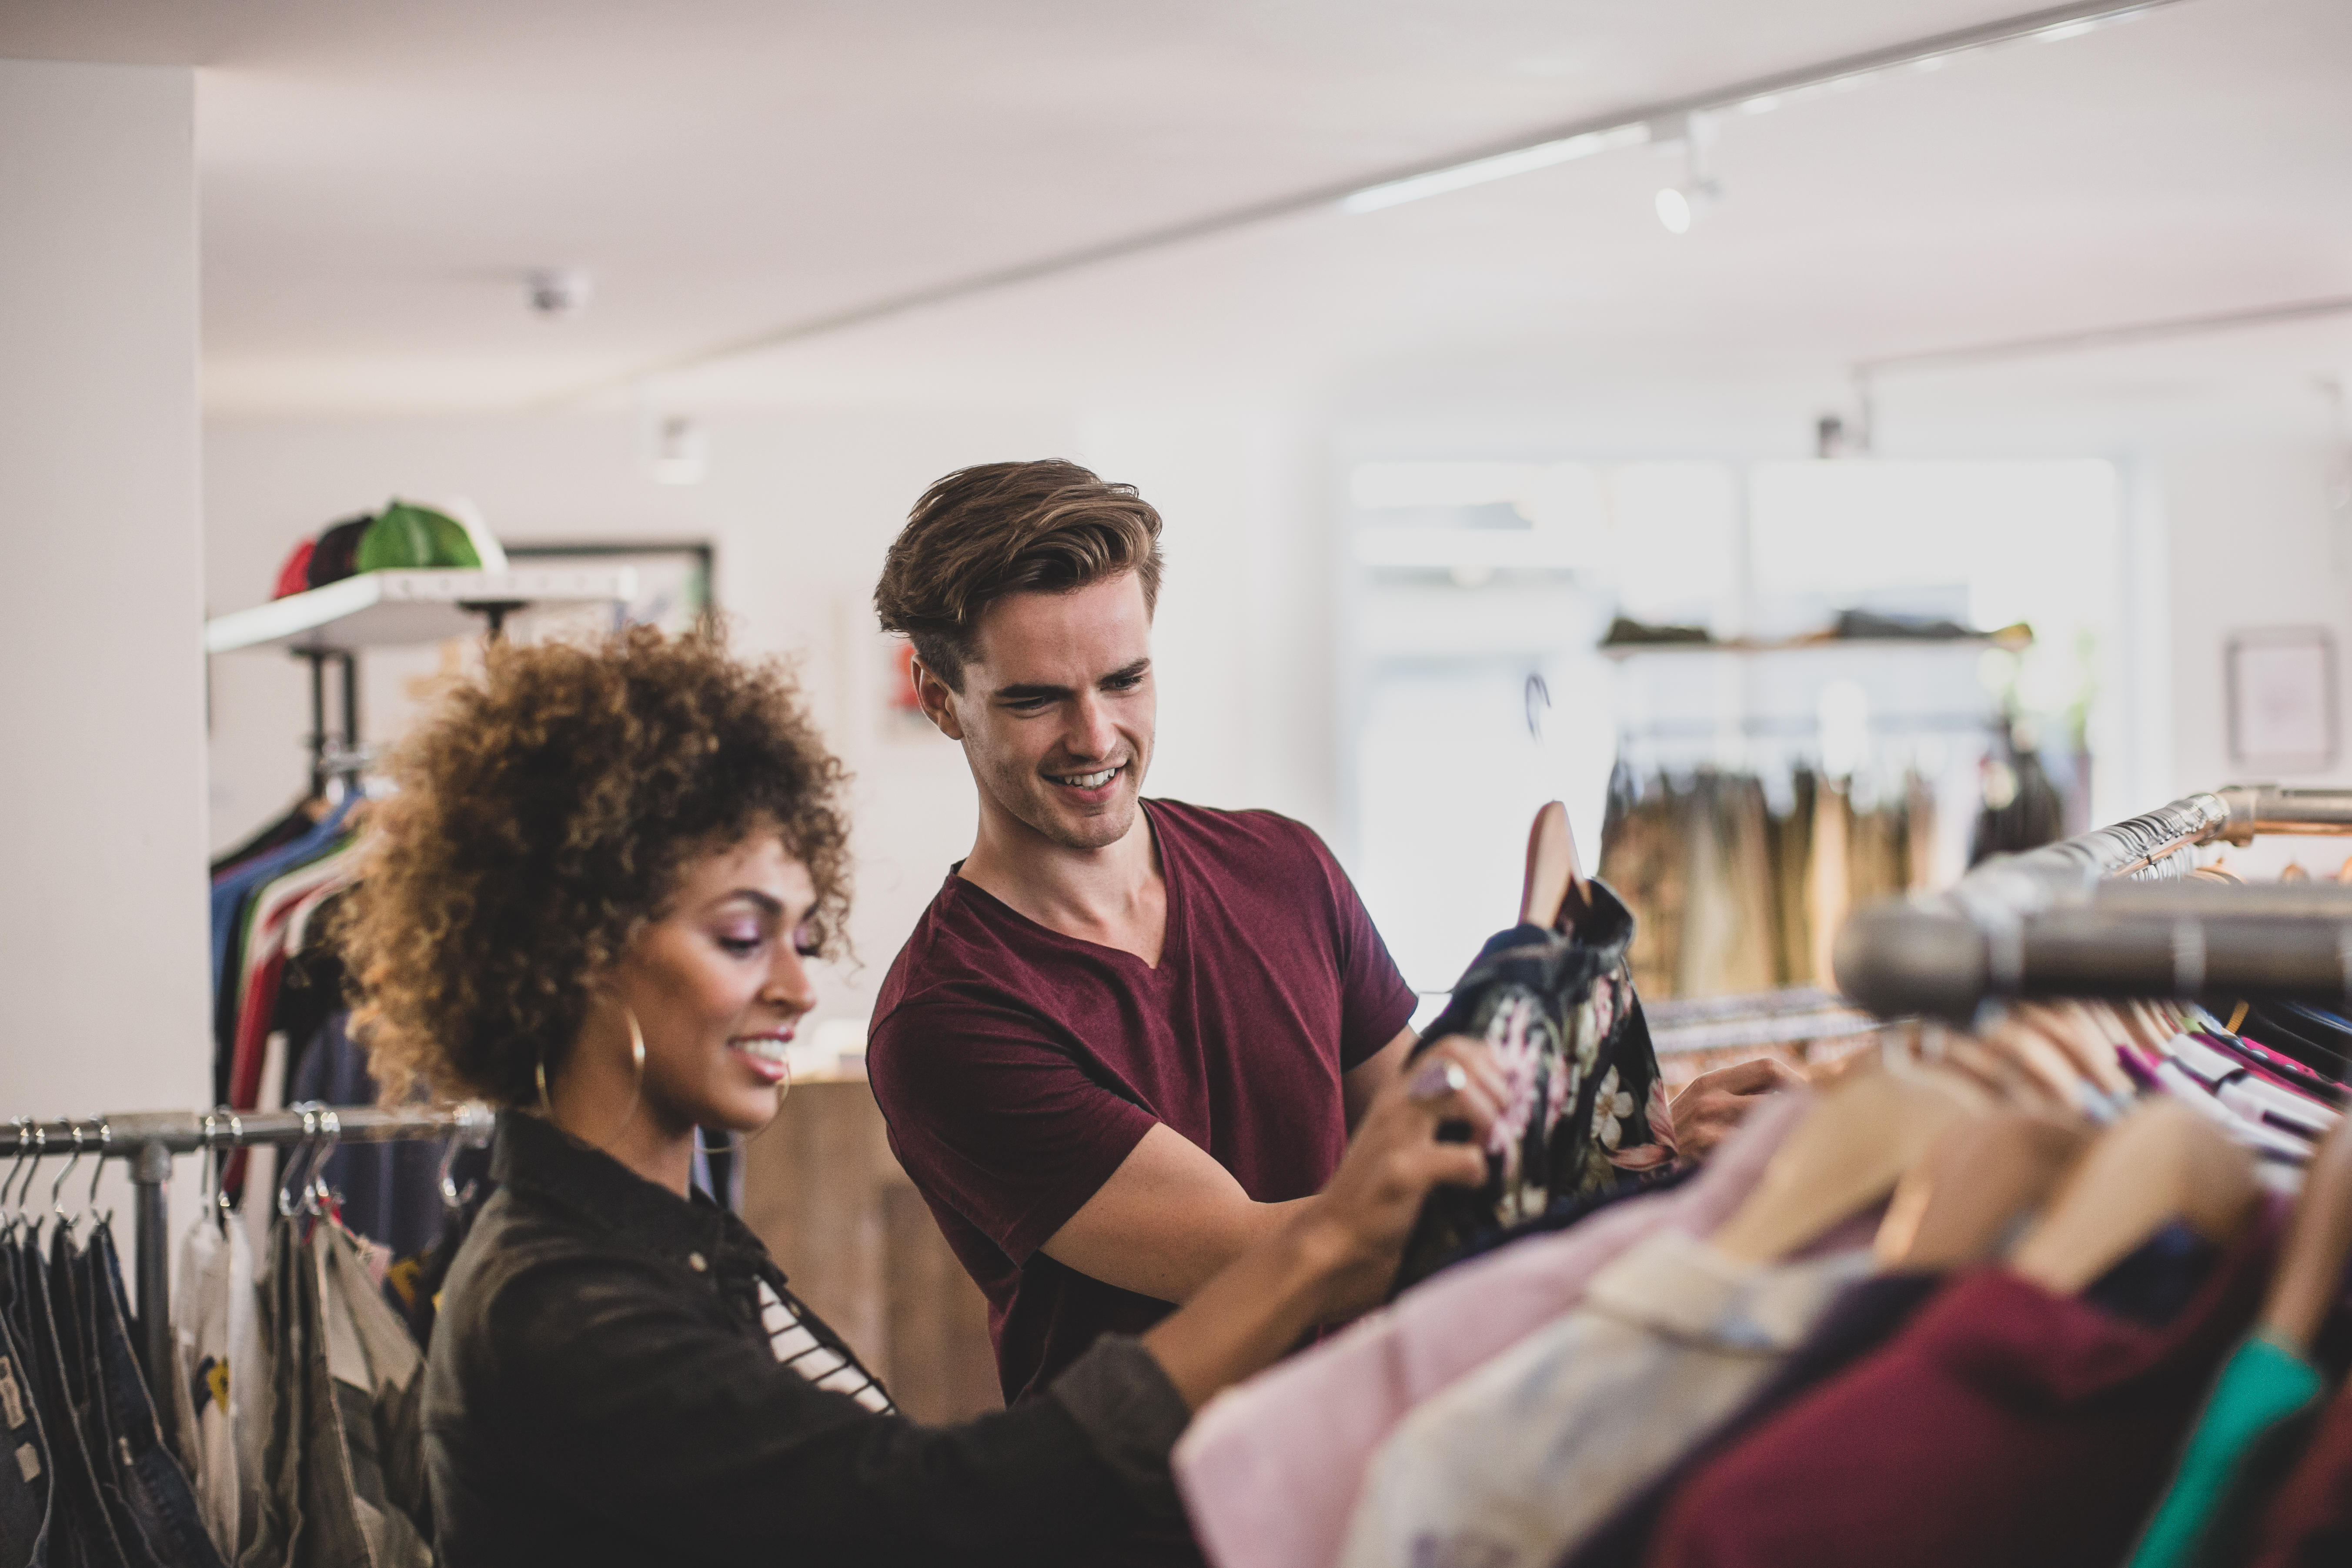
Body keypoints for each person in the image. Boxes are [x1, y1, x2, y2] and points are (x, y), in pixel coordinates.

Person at [335, 626, 1506, 1568]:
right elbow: (923, 1513)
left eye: (798, 931)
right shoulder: (560, 1305)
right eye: (745, 936)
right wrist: (1328, 1242)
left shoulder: (666, 1242)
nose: (797, 983)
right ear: (573, 946)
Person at [867, 459, 1793, 1409]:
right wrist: (1603, 1186)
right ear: (941, 699)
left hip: (1379, 1463)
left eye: (1125, 679)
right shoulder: (948, 1019)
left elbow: (1433, 1142)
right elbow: (1264, 1258)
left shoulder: (1284, 868)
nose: (1096, 735)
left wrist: (1647, 1134)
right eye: (1036, 699)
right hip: (1162, 1518)